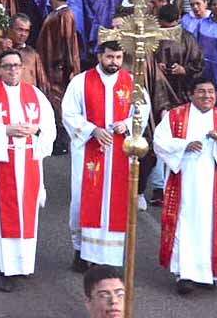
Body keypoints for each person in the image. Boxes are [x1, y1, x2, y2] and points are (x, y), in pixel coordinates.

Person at [0, 50, 56, 292]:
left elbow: (49, 128)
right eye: (7, 66)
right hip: (1, 162)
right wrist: (5, 130)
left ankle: (24, 265)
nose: (13, 70)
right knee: (3, 217)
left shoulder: (35, 95)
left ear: (23, 68)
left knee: (27, 217)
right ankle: (6, 269)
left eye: (17, 66)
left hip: (28, 160)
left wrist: (34, 131)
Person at [62, 41, 148, 271]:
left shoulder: (131, 83)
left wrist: (127, 123)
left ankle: (109, 257)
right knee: (82, 201)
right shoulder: (81, 81)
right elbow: (68, 113)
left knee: (115, 201)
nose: (114, 62)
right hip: (89, 150)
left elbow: (143, 111)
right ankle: (81, 250)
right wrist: (92, 130)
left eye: (118, 57)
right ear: (100, 56)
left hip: (120, 152)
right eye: (110, 57)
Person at [156, 79, 217, 294]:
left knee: (209, 226)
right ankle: (183, 275)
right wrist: (184, 145)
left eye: (211, 92)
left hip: (212, 184)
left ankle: (206, 274)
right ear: (190, 94)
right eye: (202, 92)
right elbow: (159, 142)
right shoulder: (175, 116)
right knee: (183, 224)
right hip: (184, 181)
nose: (207, 96)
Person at [36, 0, 82, 154]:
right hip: (49, 64)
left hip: (57, 68)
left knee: (58, 103)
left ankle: (61, 142)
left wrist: (68, 67)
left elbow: (68, 42)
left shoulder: (65, 15)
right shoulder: (57, 14)